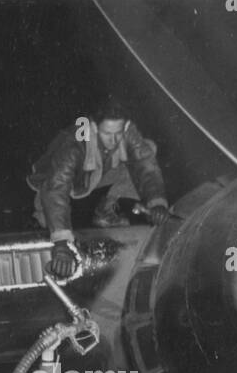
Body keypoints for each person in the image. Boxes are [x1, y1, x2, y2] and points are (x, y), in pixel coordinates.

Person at [26, 98, 171, 279]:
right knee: (49, 220)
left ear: (125, 127)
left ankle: (106, 210)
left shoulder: (127, 130)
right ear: (94, 128)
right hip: (58, 178)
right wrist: (61, 243)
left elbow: (145, 163)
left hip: (98, 170)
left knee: (147, 148)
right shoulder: (75, 143)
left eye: (118, 133)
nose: (113, 140)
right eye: (107, 134)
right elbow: (56, 188)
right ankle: (42, 224)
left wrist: (157, 201)